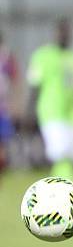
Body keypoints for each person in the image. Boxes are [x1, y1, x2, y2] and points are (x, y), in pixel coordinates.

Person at [27, 20, 73, 183]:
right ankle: (66, 192)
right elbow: (35, 86)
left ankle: (65, 194)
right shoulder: (42, 56)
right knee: (60, 153)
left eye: (67, 32)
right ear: (55, 33)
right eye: (61, 31)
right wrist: (29, 111)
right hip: (51, 111)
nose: (64, 35)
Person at [0, 32, 19, 177]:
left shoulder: (6, 56)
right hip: (3, 106)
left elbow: (14, 79)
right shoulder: (7, 56)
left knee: (3, 144)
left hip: (2, 107)